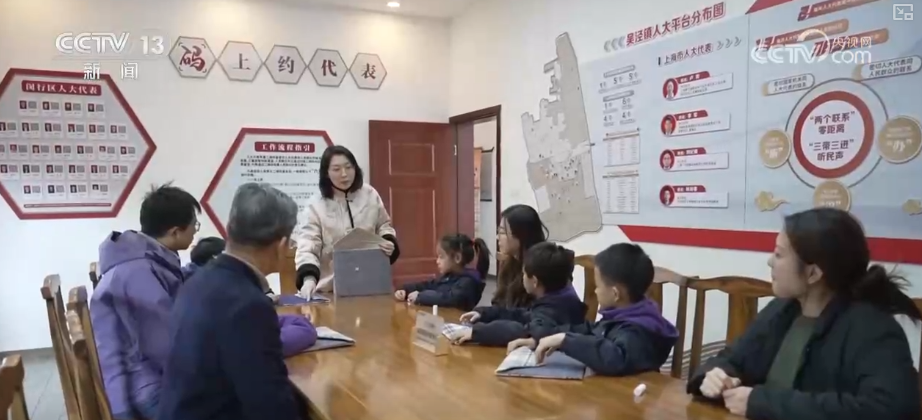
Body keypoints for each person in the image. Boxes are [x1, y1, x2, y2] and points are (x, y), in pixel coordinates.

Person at [687, 208, 921, 420]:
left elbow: (891, 409)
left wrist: (761, 403)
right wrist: (715, 376)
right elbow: (731, 357)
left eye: (779, 255)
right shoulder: (781, 309)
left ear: (813, 274)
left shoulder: (872, 329)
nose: (770, 262)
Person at [158, 183, 309, 420]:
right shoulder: (248, 305)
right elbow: (271, 408)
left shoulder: (198, 281)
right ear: (282, 246)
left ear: (230, 229)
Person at [91, 184, 201, 420]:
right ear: (175, 232)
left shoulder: (140, 258)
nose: (195, 232)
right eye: (195, 225)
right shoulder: (138, 274)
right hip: (146, 391)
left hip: (140, 379)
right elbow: (167, 348)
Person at [510, 243, 678, 376]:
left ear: (615, 294)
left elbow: (615, 357)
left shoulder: (638, 330)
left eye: (598, 286)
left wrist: (566, 340)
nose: (595, 291)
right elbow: (592, 330)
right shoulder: (623, 314)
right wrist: (547, 338)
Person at [294, 145, 399, 297]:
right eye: (336, 169)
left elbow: (384, 225)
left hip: (371, 283)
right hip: (330, 288)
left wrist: (388, 242)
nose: (344, 174)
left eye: (348, 167)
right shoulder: (315, 205)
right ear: (326, 173)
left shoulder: (370, 194)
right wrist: (309, 279)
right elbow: (308, 246)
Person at [451, 242, 587, 347]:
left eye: (524, 274)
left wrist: (477, 332)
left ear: (534, 281)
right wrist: (484, 314)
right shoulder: (557, 298)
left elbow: (522, 331)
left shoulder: (553, 309)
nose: (522, 278)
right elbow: (522, 314)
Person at [395, 234, 491, 311]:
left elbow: (449, 299)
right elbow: (428, 285)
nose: (437, 261)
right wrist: (406, 290)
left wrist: (420, 296)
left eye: (441, 257)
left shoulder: (468, 282)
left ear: (457, 258)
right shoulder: (448, 277)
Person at [491, 204, 548, 309]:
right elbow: (499, 303)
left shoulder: (541, 270)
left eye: (502, 232)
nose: (497, 237)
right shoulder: (511, 263)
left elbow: (529, 313)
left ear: (521, 235)